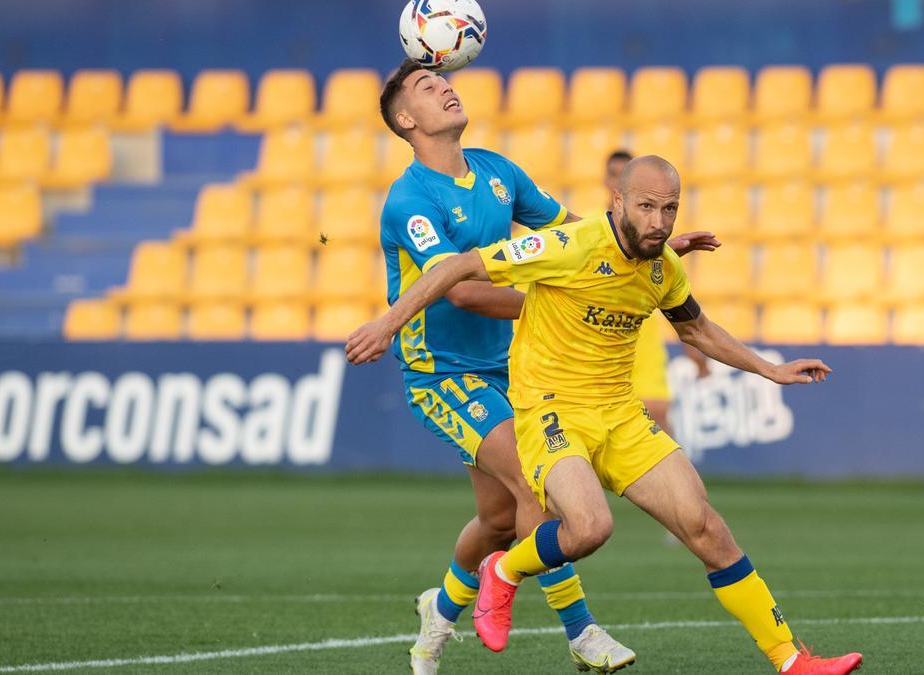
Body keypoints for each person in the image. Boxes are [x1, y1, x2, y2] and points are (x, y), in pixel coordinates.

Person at [347, 155, 864, 674]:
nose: (659, 221)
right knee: (590, 527)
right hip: (552, 411)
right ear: (618, 201)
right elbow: (459, 268)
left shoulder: (664, 267)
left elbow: (697, 329)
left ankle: (792, 660)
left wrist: (770, 369)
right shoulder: (567, 246)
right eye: (646, 206)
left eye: (669, 209)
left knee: (706, 526)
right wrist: (388, 323)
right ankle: (512, 576)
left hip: (620, 415)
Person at [375, 59, 719, 674]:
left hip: (513, 363)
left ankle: (442, 609)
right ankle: (581, 631)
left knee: (499, 519)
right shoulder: (409, 201)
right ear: (406, 120)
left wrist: (651, 243)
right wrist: (561, 305)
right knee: (541, 485)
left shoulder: (499, 173)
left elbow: (576, 236)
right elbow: (459, 290)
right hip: (445, 372)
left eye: (445, 79)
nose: (447, 86)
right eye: (428, 87)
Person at [607, 150, 710, 435]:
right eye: (614, 175)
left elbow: (672, 292)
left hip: (643, 346)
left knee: (659, 427)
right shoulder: (588, 229)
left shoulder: (655, 234)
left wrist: (695, 351)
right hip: (600, 347)